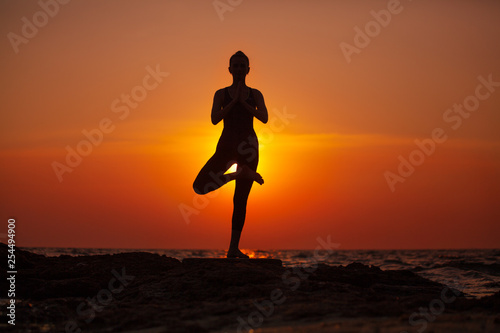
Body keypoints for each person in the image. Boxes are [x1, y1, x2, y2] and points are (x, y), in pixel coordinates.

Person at [193, 51, 268, 259]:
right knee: (199, 186)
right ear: (229, 69)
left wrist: (242, 103)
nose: (238, 69)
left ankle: (233, 249)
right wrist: (232, 101)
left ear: (248, 70)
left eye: (242, 66)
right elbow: (214, 119)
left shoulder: (255, 94)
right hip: (226, 147)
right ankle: (238, 174)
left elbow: (264, 117)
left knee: (240, 200)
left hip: (248, 148)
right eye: (235, 66)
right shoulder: (221, 94)